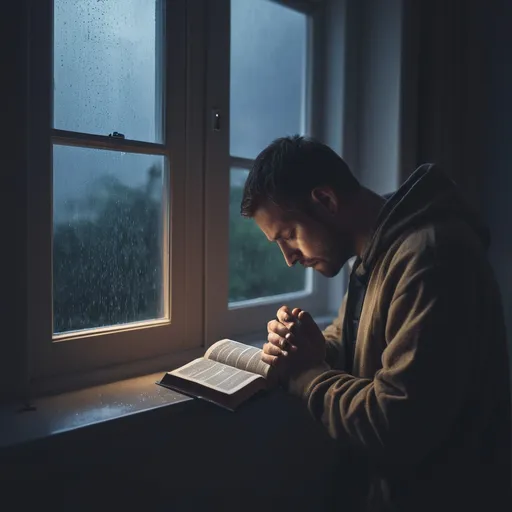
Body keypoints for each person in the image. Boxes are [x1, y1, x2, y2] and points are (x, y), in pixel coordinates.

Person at [240, 135, 511, 511]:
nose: (288, 258)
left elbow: (396, 426)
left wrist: (305, 374)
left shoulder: (430, 261)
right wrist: (299, 343)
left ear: (325, 200)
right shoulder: (374, 255)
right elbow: (353, 343)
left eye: (289, 235)